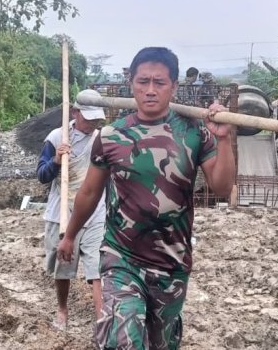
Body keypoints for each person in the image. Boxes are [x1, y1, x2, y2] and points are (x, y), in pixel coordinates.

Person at [57, 47, 237, 350]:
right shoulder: (111, 136)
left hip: (172, 263)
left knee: (160, 344)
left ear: (174, 87)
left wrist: (222, 138)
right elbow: (89, 191)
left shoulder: (194, 133)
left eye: (159, 82)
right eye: (143, 82)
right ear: (131, 83)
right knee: (120, 339)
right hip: (121, 257)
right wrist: (70, 235)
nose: (150, 90)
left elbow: (221, 187)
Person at [36, 89, 107, 330]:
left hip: (95, 211)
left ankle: (101, 321)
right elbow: (42, 176)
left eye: (96, 119)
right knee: (63, 267)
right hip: (63, 212)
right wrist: (56, 160)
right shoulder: (57, 137)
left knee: (97, 267)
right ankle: (62, 309)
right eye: (88, 118)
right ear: (75, 112)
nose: (92, 123)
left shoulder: (102, 139)